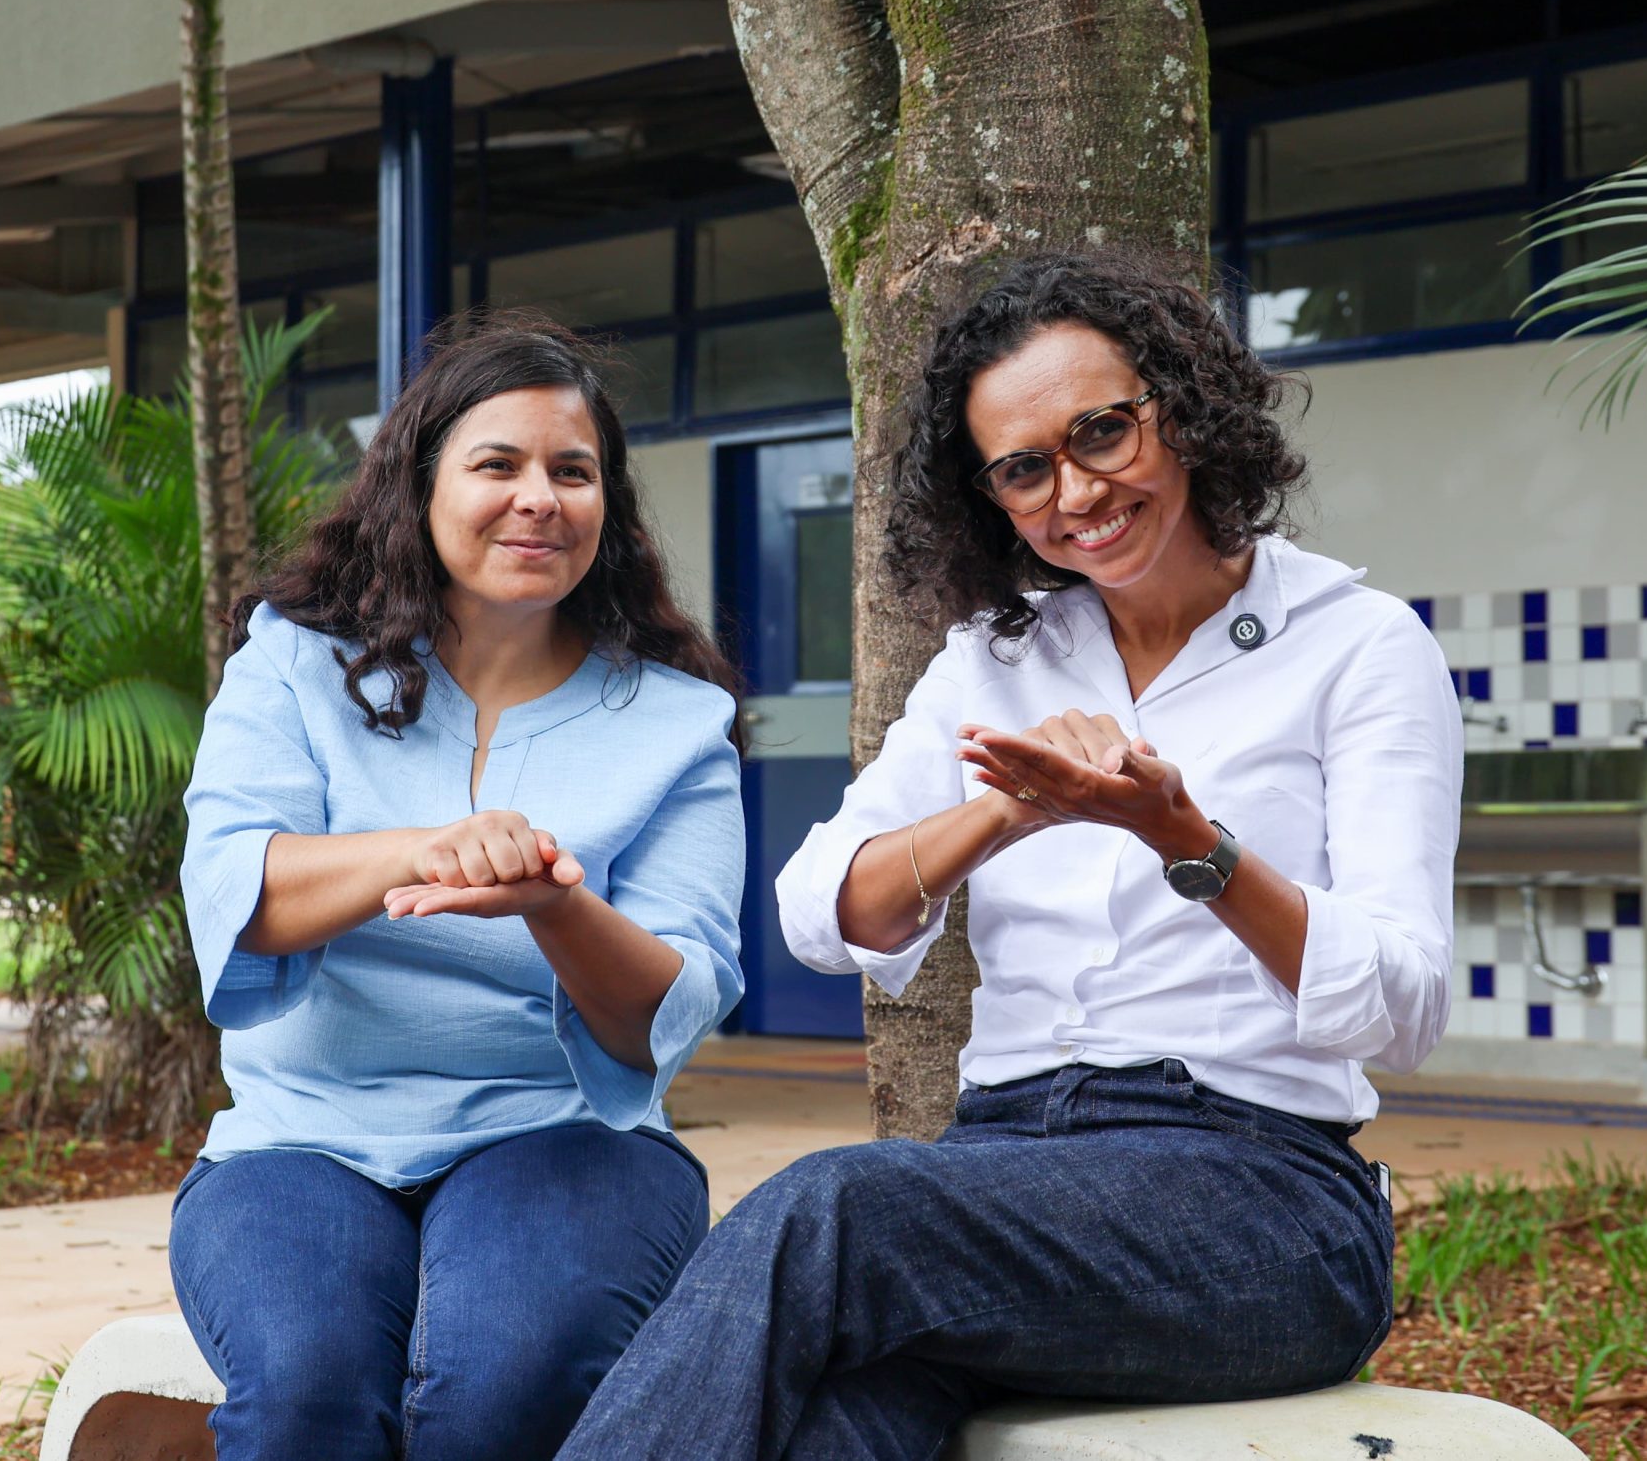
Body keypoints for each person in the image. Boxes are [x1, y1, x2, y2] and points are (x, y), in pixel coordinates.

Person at [560, 251, 1460, 1460]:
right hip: (998, 1181)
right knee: (839, 1427)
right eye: (1023, 468)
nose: (1075, 489)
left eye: (1102, 431)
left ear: (1182, 407)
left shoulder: (1355, 645)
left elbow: (1401, 1005)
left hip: (1259, 1204)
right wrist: (1000, 813)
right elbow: (825, 911)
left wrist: (1185, 841)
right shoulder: (997, 657)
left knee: (834, 1205)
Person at [169, 313, 748, 1461]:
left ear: (608, 507)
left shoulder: (680, 723)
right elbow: (240, 890)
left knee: (497, 1393)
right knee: (308, 1399)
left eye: (572, 471)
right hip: (303, 1136)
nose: (540, 495)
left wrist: (551, 901)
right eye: (499, 463)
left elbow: (667, 1009)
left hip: (566, 1134)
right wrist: (429, 845)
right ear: (417, 484)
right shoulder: (291, 658)